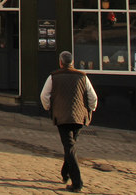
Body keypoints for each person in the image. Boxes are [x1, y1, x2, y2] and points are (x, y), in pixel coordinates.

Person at [40, 51, 98, 192]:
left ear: (60, 62)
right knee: (71, 144)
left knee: (69, 146)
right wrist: (90, 109)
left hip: (62, 116)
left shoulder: (54, 77)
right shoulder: (82, 77)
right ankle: (65, 173)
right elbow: (93, 97)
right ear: (72, 62)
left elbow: (44, 95)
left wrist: (49, 107)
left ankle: (77, 183)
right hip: (79, 117)